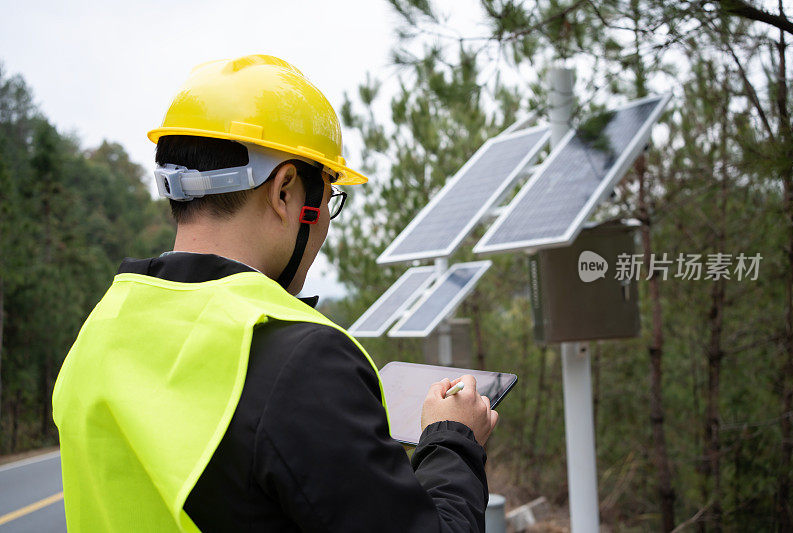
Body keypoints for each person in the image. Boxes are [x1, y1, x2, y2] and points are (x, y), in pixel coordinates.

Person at [52, 54, 499, 532]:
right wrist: (453, 440)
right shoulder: (300, 359)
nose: (327, 221)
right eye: (329, 198)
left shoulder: (99, 329)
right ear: (285, 190)